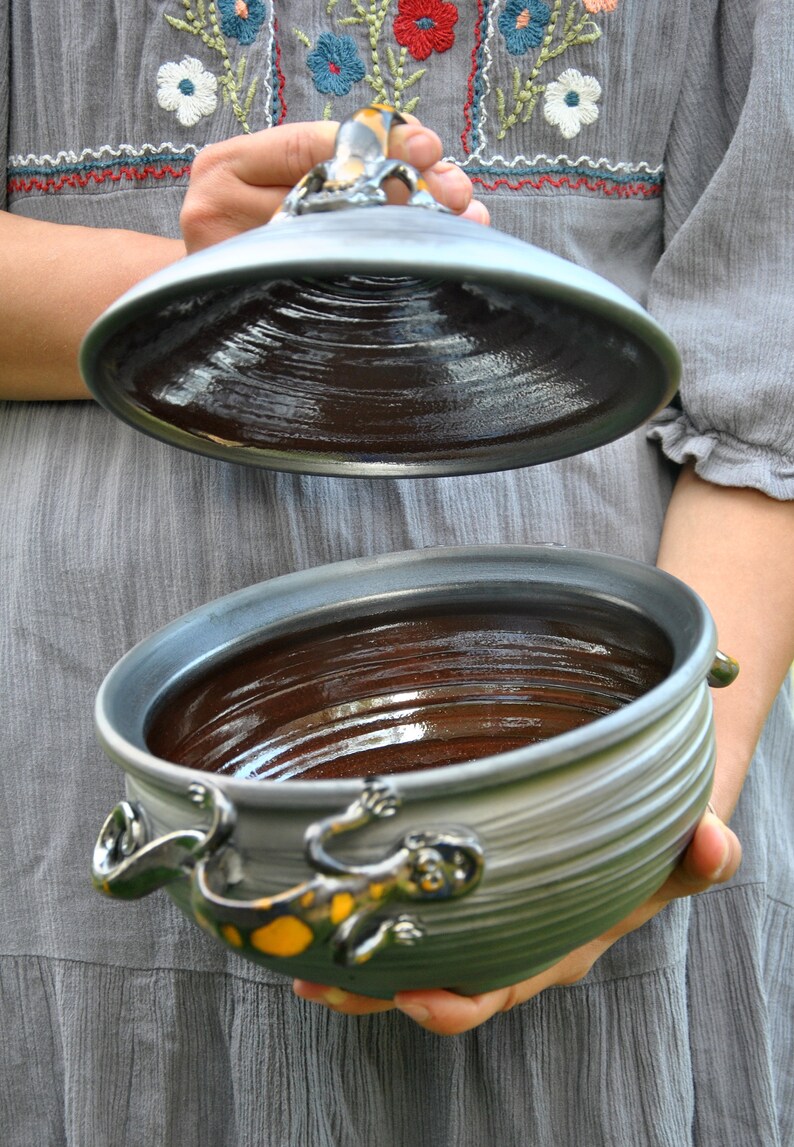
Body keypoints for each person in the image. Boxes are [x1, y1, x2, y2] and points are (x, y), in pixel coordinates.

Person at [1, 3, 792, 1144]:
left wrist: (661, 803)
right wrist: (214, 289)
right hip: (77, 788)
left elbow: (773, 360)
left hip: (592, 793)